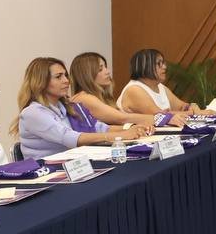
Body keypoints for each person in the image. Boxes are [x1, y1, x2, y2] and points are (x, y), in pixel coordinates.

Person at [15, 57, 149, 161]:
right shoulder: (33, 113)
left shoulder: (67, 105)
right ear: (40, 82)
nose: (66, 81)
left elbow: (97, 127)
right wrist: (120, 136)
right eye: (58, 77)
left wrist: (133, 128)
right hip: (45, 174)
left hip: (72, 166)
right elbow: (70, 138)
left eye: (65, 75)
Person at [69, 52, 186, 128]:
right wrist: (164, 118)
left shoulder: (102, 97)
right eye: (100, 69)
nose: (108, 72)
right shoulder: (84, 98)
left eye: (105, 67)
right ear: (87, 75)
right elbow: (122, 118)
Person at [117, 49, 207, 116]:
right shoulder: (134, 89)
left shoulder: (160, 87)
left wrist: (192, 107)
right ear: (144, 66)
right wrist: (193, 113)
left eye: (163, 63)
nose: (164, 67)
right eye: (159, 63)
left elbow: (182, 107)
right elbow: (160, 116)